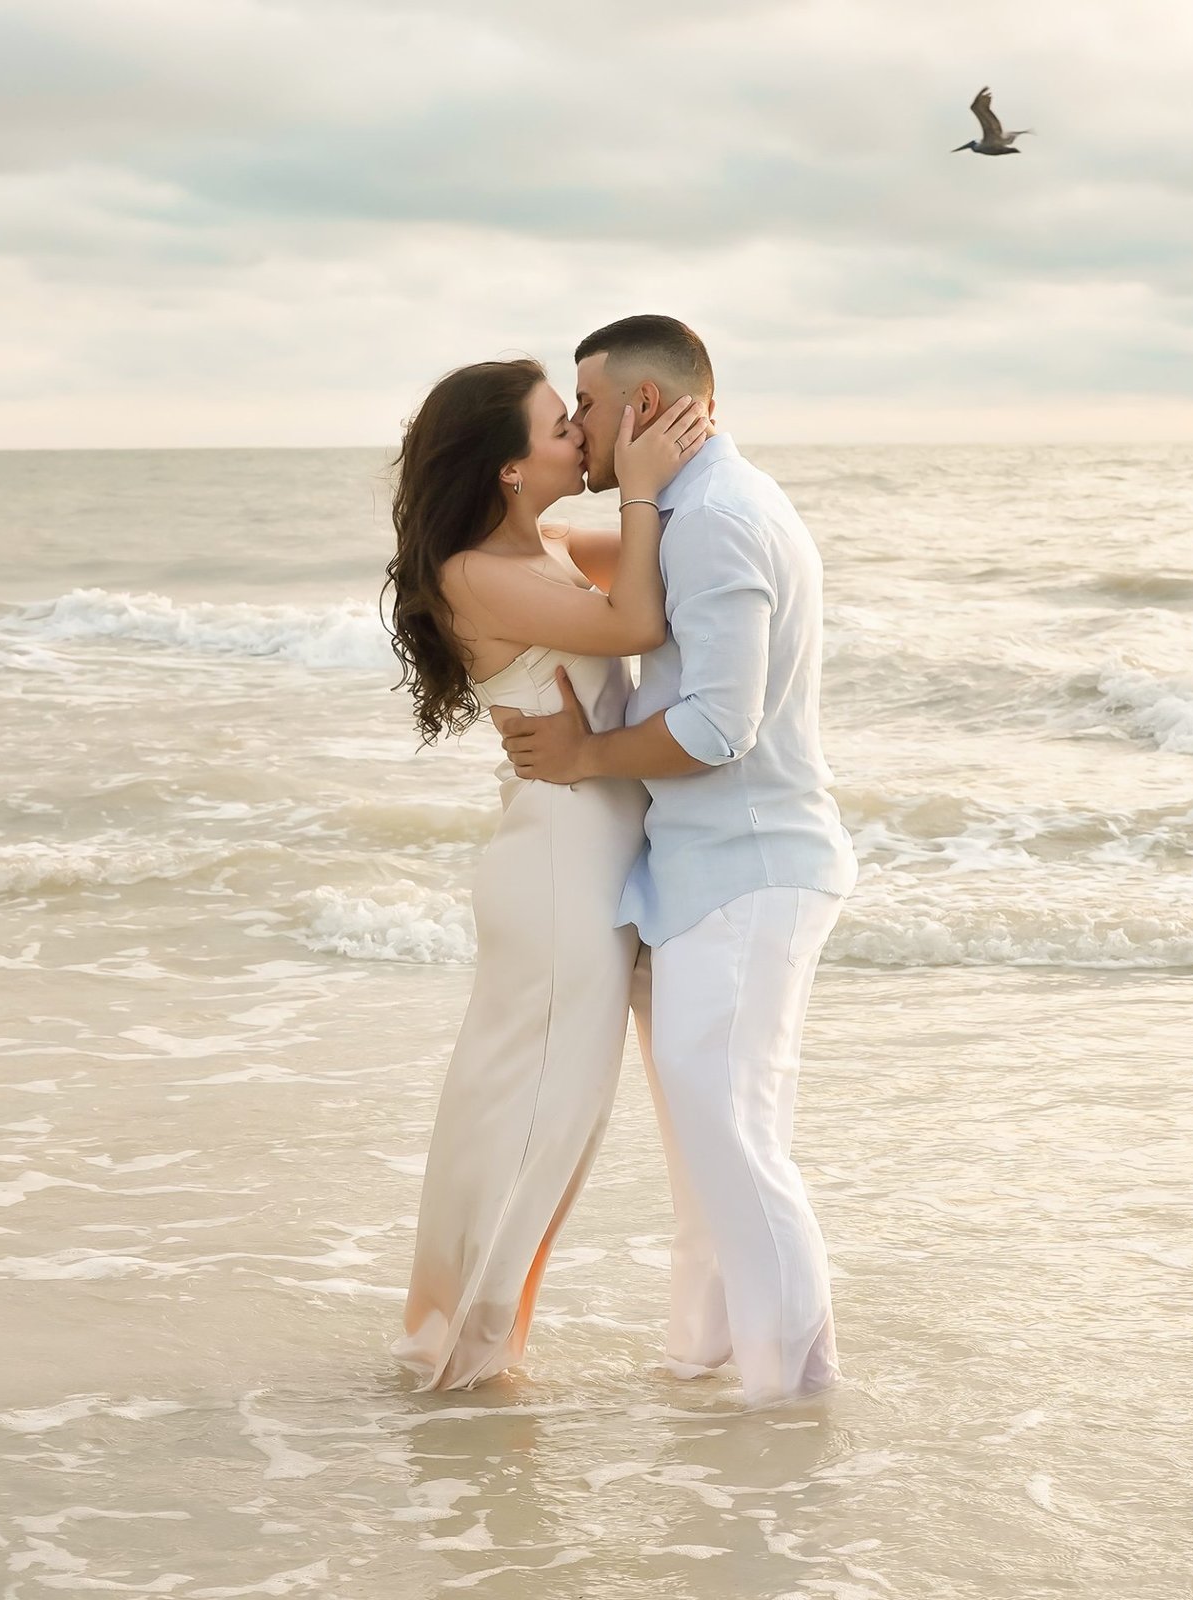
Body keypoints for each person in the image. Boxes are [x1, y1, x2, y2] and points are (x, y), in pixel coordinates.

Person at [498, 315, 858, 1408]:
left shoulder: (718, 521)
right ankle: (708, 1362)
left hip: (747, 871)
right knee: (714, 1145)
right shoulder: (695, 509)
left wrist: (582, 754)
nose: (580, 426)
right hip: (704, 873)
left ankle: (796, 1392)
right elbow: (587, 581)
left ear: (644, 408)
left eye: (590, 406)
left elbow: (716, 729)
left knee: (734, 1140)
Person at [383, 355, 709, 1390]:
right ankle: (466, 1357)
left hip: (579, 856)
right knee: (534, 1112)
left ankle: (474, 1342)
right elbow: (637, 623)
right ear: (508, 471)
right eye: (555, 424)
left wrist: (685, 462)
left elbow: (690, 555)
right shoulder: (474, 572)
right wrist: (648, 482)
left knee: (552, 1112)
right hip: (560, 868)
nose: (578, 432)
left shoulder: (553, 544)